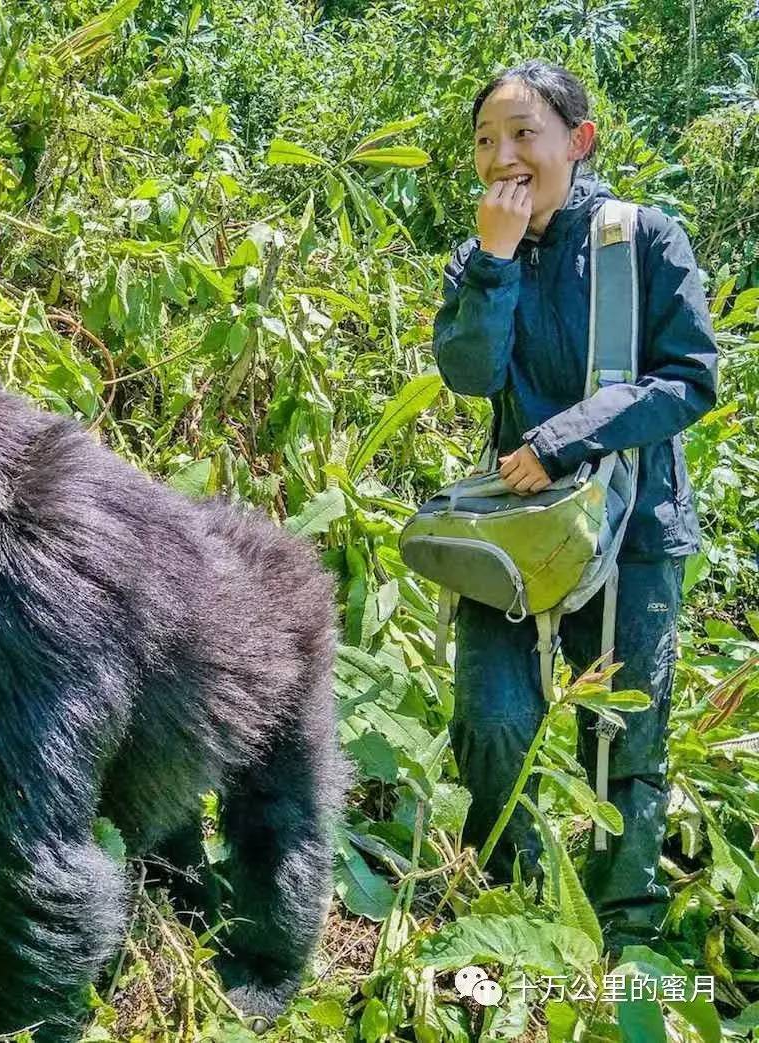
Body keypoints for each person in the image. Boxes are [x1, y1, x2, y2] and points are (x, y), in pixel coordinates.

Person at [431, 60, 718, 953]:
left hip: (635, 522)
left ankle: (621, 932)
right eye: (485, 140)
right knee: (492, 713)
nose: (502, 156)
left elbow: (689, 377)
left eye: (524, 134)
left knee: (622, 729)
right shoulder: (479, 253)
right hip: (514, 526)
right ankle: (505, 907)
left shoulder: (647, 239)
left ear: (578, 142)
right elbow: (470, 374)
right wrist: (495, 262)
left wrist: (568, 437)